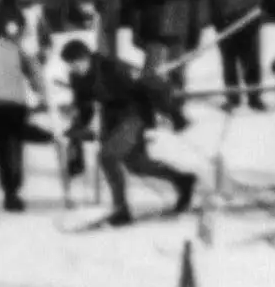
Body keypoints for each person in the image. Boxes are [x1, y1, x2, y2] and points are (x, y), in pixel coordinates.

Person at [68, 35, 197, 227]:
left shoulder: (110, 67)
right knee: (138, 164)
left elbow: (148, 85)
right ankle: (183, 180)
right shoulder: (78, 78)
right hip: (113, 121)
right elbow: (84, 105)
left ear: (87, 56)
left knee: (107, 157)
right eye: (71, 64)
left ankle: (121, 210)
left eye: (77, 62)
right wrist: (78, 127)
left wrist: (174, 114)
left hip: (134, 115)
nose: (75, 68)